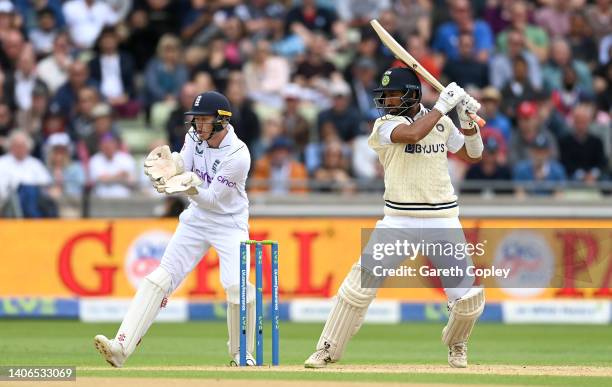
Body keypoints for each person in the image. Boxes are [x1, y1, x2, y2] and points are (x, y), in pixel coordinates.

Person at [304, 67, 485, 369]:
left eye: (393, 94)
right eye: (385, 95)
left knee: (466, 299)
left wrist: (467, 121)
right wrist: (443, 106)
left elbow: (472, 155)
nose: (387, 100)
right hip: (398, 220)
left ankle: (457, 344)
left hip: (442, 219)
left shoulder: (440, 123)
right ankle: (327, 348)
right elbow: (413, 133)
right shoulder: (384, 125)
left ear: (413, 96)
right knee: (356, 289)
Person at [94, 91, 255, 366]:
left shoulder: (238, 156)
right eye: (196, 119)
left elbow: (214, 199)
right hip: (197, 218)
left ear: (221, 121)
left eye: (204, 120)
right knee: (160, 279)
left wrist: (187, 185)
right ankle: (121, 347)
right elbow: (185, 161)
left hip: (229, 222)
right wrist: (174, 165)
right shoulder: (195, 136)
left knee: (237, 287)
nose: (197, 125)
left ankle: (243, 354)